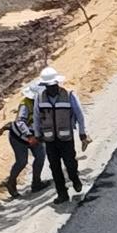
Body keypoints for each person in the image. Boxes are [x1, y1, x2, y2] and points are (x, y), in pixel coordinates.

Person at [27, 66, 88, 204]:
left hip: (66, 139)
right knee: (54, 167)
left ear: (57, 84)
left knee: (70, 163)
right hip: (49, 140)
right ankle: (62, 193)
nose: (51, 89)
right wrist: (37, 134)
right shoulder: (39, 98)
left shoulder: (69, 95)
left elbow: (80, 115)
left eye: (53, 86)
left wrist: (82, 133)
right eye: (48, 86)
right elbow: (37, 117)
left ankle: (75, 179)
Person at [0, 85, 42, 198]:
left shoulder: (42, 103)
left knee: (41, 156)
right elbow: (20, 122)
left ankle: (36, 183)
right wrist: (29, 136)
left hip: (34, 135)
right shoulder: (25, 104)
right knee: (22, 161)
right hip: (19, 137)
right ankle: (11, 182)